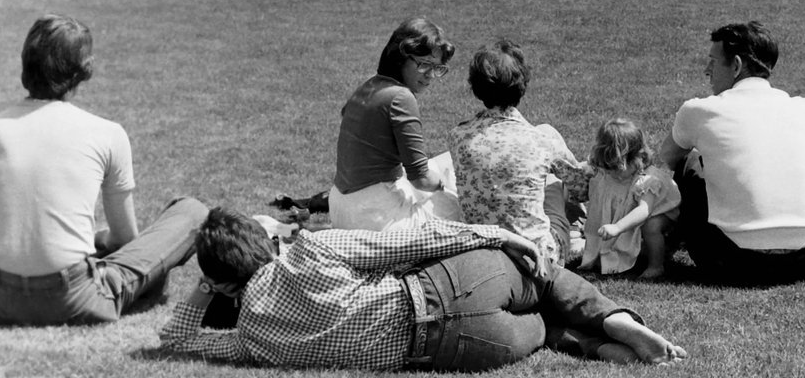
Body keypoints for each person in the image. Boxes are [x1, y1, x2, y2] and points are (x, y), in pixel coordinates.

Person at [160, 208, 687, 370]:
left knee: (546, 329)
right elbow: (410, 242)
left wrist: (207, 287)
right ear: (264, 243)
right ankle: (613, 316)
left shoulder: (250, 338)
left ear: (223, 280)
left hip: (452, 347)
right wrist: (492, 233)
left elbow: (176, 340)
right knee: (539, 278)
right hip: (444, 286)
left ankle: (597, 345)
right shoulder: (309, 250)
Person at [0, 14, 208, 325]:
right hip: (74, 297)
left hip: (2, 299)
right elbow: (124, 239)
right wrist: (98, 240)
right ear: (85, 70)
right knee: (193, 211)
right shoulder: (106, 132)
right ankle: (135, 282)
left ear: (25, 64)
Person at [659, 21, 805, 288]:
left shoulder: (701, 111)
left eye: (713, 62)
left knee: (689, 162)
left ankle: (674, 239)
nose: (707, 70)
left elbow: (669, 157)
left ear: (737, 66)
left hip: (732, 263)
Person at [449, 40, 590, 266]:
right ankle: (577, 231)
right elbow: (582, 189)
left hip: (480, 253)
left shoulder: (458, 136)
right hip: (538, 258)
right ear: (521, 84)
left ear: (476, 87)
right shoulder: (542, 140)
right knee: (552, 181)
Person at [330, 18, 463, 232]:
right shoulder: (401, 97)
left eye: (437, 67)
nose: (430, 75)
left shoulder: (369, 86)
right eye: (424, 64)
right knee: (461, 202)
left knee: (446, 162)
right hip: (371, 219)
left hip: (340, 208)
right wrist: (445, 185)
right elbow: (421, 179)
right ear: (400, 58)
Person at [580, 119, 680, 280]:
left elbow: (643, 210)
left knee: (651, 226)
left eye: (616, 167)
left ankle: (656, 266)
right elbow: (588, 168)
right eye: (608, 167)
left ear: (635, 158)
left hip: (661, 210)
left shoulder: (646, 179)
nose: (611, 172)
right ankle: (608, 253)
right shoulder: (607, 169)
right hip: (635, 207)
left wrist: (618, 227)